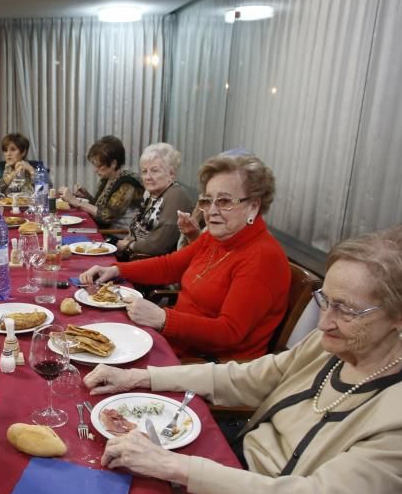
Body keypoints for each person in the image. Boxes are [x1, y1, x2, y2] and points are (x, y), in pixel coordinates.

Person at [88, 223, 402, 494]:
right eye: (325, 300)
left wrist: (172, 465)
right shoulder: (339, 343)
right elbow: (251, 377)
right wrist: (141, 378)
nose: (325, 322)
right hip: (242, 474)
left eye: (347, 310)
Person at [79, 152, 290, 362]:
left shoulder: (263, 257)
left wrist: (163, 318)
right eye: (207, 201)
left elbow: (229, 333)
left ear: (253, 206)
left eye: (225, 201)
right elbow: (170, 265)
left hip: (210, 366)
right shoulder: (219, 237)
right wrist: (117, 269)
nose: (211, 211)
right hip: (177, 343)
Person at [115, 143, 194, 260]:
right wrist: (127, 242)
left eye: (154, 171)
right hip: (134, 256)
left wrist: (129, 245)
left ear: (171, 174)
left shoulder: (176, 195)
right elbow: (137, 228)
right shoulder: (150, 194)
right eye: (144, 171)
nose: (148, 177)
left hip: (154, 265)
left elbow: (159, 245)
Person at [62, 136, 144, 231]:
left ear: (113, 163)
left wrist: (76, 202)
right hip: (105, 230)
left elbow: (107, 216)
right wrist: (86, 196)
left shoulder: (127, 184)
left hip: (118, 235)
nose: (95, 170)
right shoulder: (108, 177)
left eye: (99, 166)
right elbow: (100, 208)